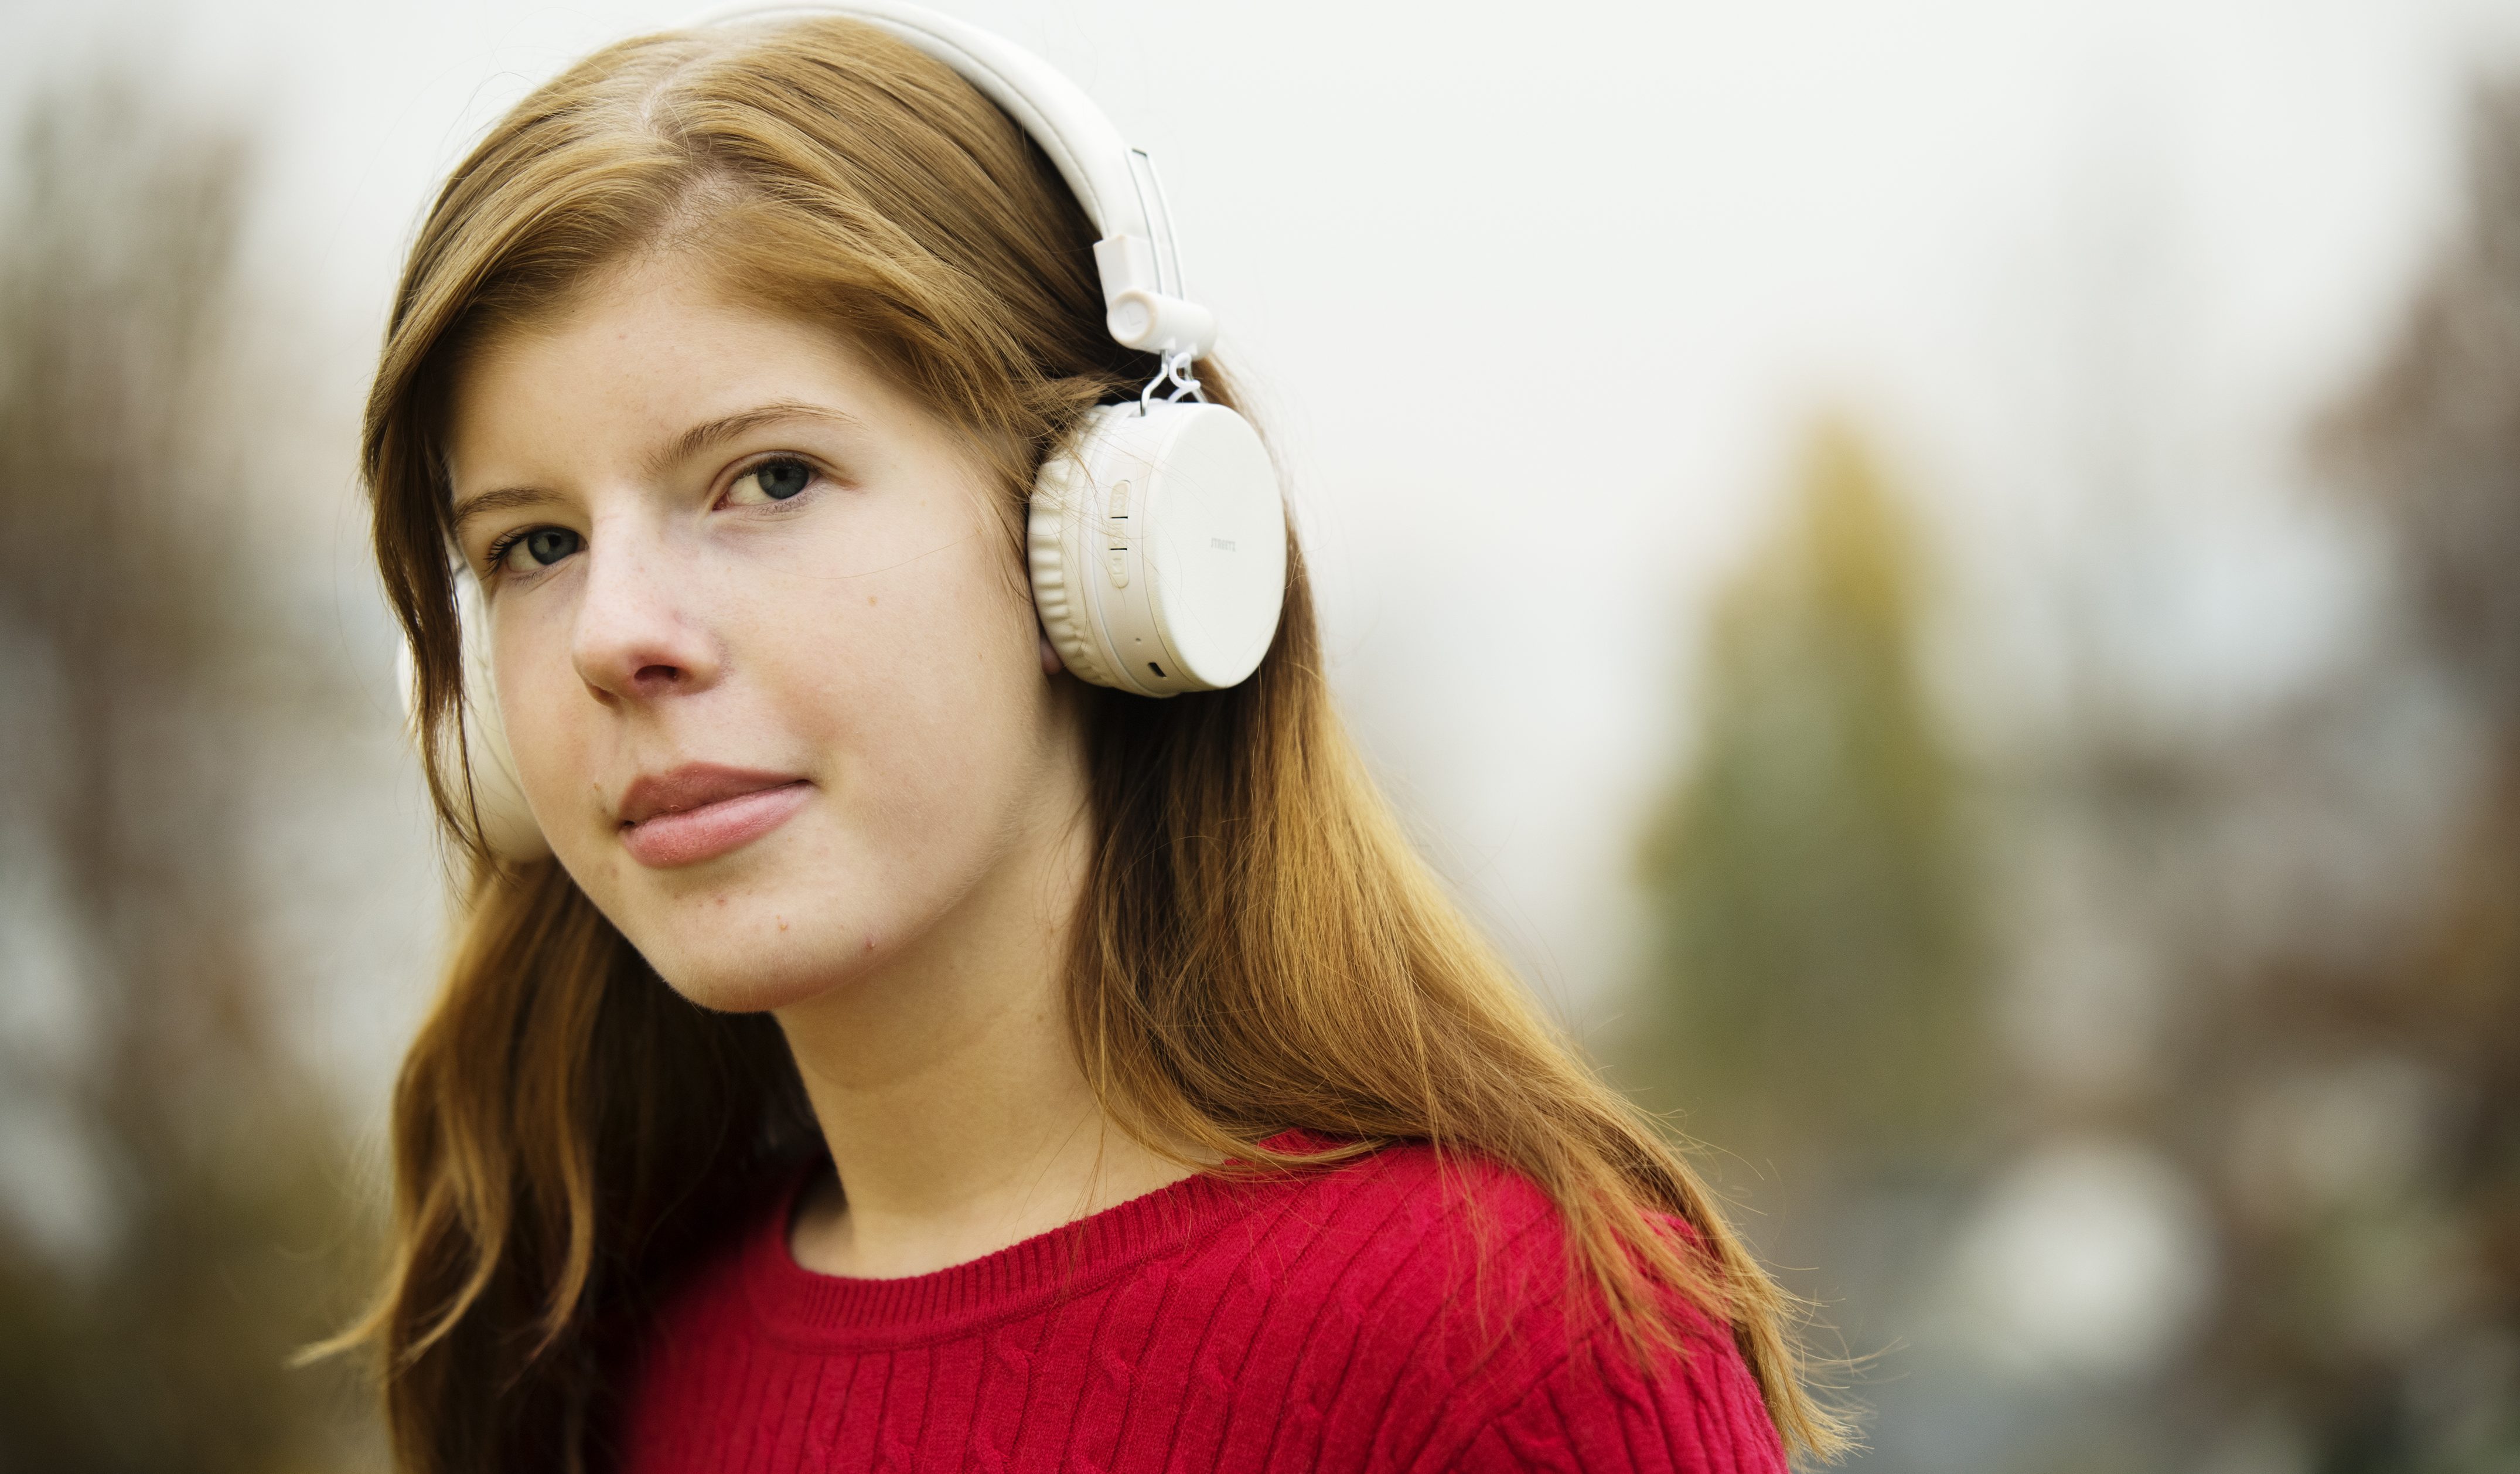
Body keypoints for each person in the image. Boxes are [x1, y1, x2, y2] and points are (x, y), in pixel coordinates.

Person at [335, 6, 1843, 1470]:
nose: (614, 634)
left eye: (770, 478)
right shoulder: (604, 1349)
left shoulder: (1510, 1346)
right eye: (533, 547)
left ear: (1107, 540)